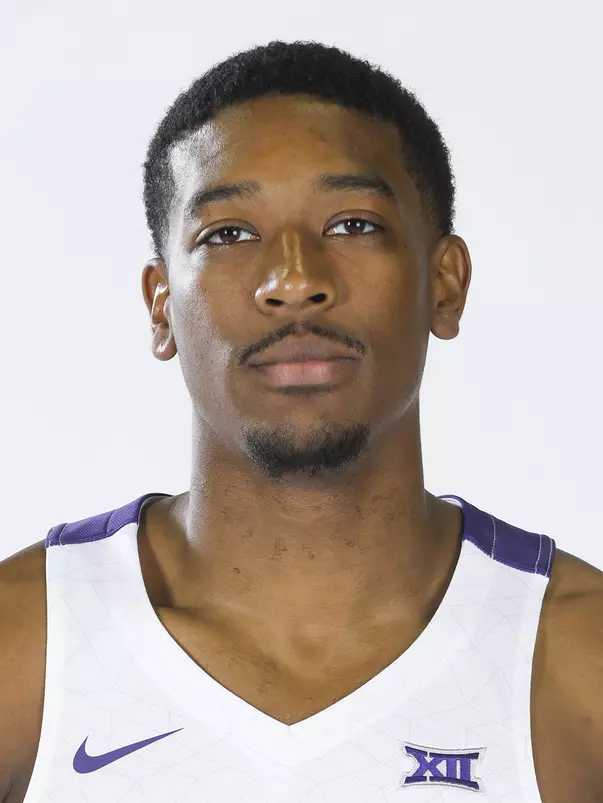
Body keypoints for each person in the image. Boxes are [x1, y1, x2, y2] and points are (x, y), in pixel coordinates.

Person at [1, 39, 602, 803]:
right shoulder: (25, 647)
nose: (294, 280)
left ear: (443, 284)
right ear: (162, 308)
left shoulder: (581, 662)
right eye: (228, 234)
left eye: (352, 224)